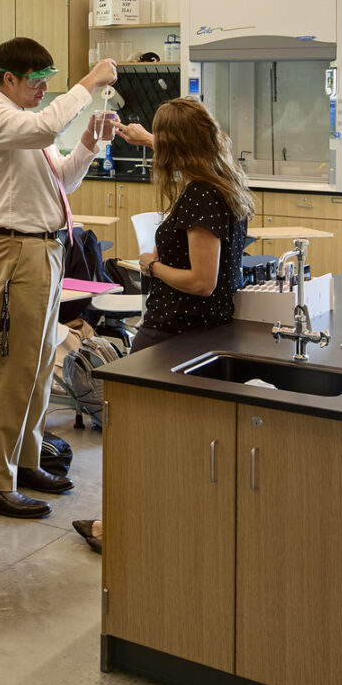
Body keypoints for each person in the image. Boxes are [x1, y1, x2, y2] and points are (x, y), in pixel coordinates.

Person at [74, 97, 246, 553]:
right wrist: (148, 138)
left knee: (132, 434)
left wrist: (150, 265)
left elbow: (201, 281)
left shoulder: (202, 195)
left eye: (161, 139)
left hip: (174, 331)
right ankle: (142, 520)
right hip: (197, 330)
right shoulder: (222, 176)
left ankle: (120, 528)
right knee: (160, 438)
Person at [0, 38, 121, 520]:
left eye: (47, 84)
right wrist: (88, 84)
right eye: (36, 83)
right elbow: (43, 127)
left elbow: (64, 181)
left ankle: (24, 461)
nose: (42, 92)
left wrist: (91, 145)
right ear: (8, 78)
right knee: (13, 369)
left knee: (36, 368)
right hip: (14, 249)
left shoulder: (32, 126)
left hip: (44, 248)